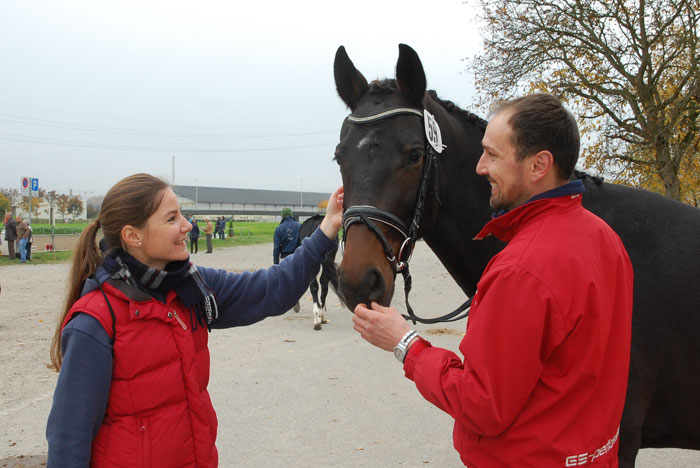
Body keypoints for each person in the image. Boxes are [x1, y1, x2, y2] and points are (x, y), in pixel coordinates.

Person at [352, 94, 634, 467]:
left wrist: (405, 344)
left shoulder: (521, 269)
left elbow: (481, 405)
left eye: (493, 155)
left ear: (539, 165)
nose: (480, 167)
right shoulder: (606, 239)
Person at [46, 173, 343, 467]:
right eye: (172, 218)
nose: (188, 226)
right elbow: (69, 438)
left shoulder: (192, 287)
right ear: (133, 236)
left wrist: (327, 228)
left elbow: (270, 290)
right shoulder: (95, 321)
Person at [273, 208, 302, 312]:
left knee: (287, 278)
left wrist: (275, 264)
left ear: (282, 216)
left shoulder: (279, 229)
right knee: (298, 278)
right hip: (298, 255)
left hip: (285, 257)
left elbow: (276, 248)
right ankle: (297, 297)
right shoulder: (299, 226)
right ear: (291, 215)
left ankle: (290, 299)